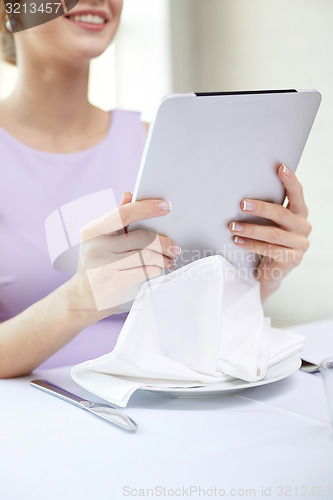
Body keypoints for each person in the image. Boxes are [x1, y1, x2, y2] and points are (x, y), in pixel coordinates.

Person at [0, 0, 312, 378]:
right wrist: (80, 299)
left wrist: (266, 272)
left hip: (155, 409)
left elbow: (203, 317)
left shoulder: (157, 143)